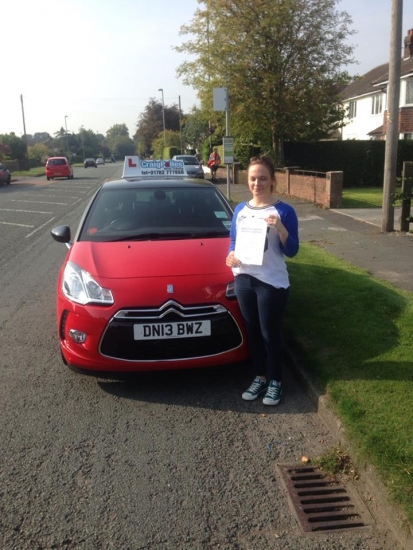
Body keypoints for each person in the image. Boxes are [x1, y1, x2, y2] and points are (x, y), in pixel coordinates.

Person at [226, 155, 299, 406]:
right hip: (244, 279)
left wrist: (281, 228)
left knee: (270, 333)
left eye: (262, 178)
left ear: (272, 181)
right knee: (253, 333)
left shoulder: (284, 211)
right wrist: (230, 255)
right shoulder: (240, 210)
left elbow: (292, 251)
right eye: (253, 179)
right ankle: (259, 376)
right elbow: (234, 240)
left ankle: (276, 380)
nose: (257, 183)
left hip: (271, 282)